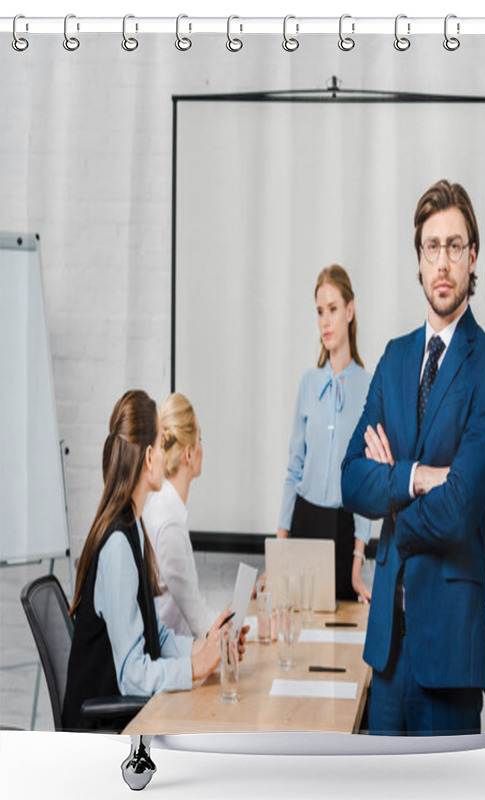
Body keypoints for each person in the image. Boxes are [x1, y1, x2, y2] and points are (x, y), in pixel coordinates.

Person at [341, 180, 485, 735]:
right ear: (418, 260)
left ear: (473, 258)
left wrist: (390, 496)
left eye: (455, 246)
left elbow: (461, 506)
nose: (443, 261)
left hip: (448, 654)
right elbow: (351, 479)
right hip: (388, 648)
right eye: (431, 247)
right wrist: (415, 477)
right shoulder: (392, 361)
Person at [62, 390, 246, 732]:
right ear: (149, 457)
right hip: (102, 733)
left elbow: (154, 635)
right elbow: (132, 676)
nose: (167, 455)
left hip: (126, 719)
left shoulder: (134, 526)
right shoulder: (118, 544)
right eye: (163, 445)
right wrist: (196, 667)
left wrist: (205, 648)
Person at [278, 265, 373, 602]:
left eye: (333, 309)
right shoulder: (308, 384)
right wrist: (279, 549)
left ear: (350, 310)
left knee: (338, 644)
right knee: (298, 635)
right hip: (305, 522)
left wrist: (357, 563)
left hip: (344, 529)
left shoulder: (368, 387)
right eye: (320, 312)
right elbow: (294, 469)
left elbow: (366, 479)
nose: (325, 321)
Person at [142, 392, 216, 638]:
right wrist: (254, 626)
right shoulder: (170, 523)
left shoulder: (160, 505)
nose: (202, 449)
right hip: (174, 660)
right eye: (200, 439)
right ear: (188, 454)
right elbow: (200, 623)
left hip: (179, 650)